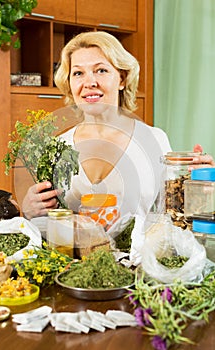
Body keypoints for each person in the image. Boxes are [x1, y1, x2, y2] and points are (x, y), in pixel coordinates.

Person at [21, 31, 215, 261]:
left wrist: (201, 187)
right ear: (70, 83)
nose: (89, 82)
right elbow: (51, 223)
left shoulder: (154, 140)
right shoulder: (58, 148)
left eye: (101, 70)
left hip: (139, 268)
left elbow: (174, 214)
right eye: (78, 73)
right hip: (74, 270)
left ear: (122, 79)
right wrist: (30, 210)